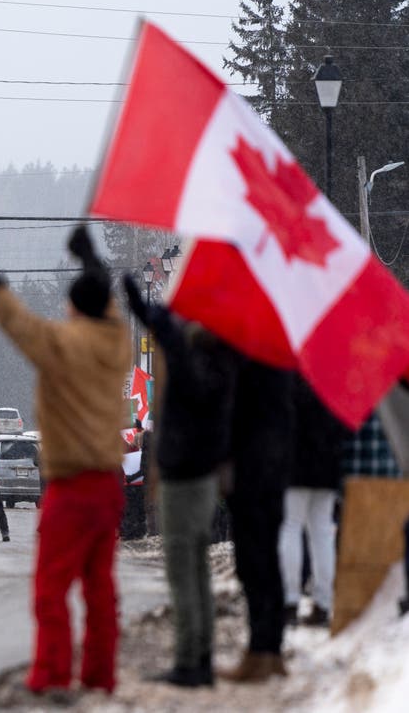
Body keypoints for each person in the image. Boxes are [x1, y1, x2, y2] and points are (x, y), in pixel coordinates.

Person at [0, 223, 130, 696]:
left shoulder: (61, 346)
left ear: (74, 307)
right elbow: (104, 306)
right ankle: (100, 675)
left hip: (70, 486)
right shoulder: (116, 343)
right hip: (107, 486)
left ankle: (53, 674)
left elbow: (18, 322)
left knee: (51, 588)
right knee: (99, 587)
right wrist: (93, 261)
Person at [124, 277, 240, 687]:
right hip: (205, 476)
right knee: (197, 570)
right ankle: (202, 653)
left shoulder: (191, 364)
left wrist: (137, 299)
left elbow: (166, 332)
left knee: (182, 571)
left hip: (182, 478)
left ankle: (190, 659)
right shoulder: (225, 364)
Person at [221, 359, 295, 682]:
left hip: (252, 476)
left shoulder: (247, 367)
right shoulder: (285, 366)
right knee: (267, 564)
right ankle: (270, 649)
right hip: (274, 474)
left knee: (254, 566)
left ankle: (260, 649)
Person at [278, 379, 349, 628]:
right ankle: (323, 603)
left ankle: (289, 599)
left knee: (290, 527)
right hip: (327, 466)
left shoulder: (292, 379)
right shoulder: (334, 381)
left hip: (294, 465)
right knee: (322, 533)